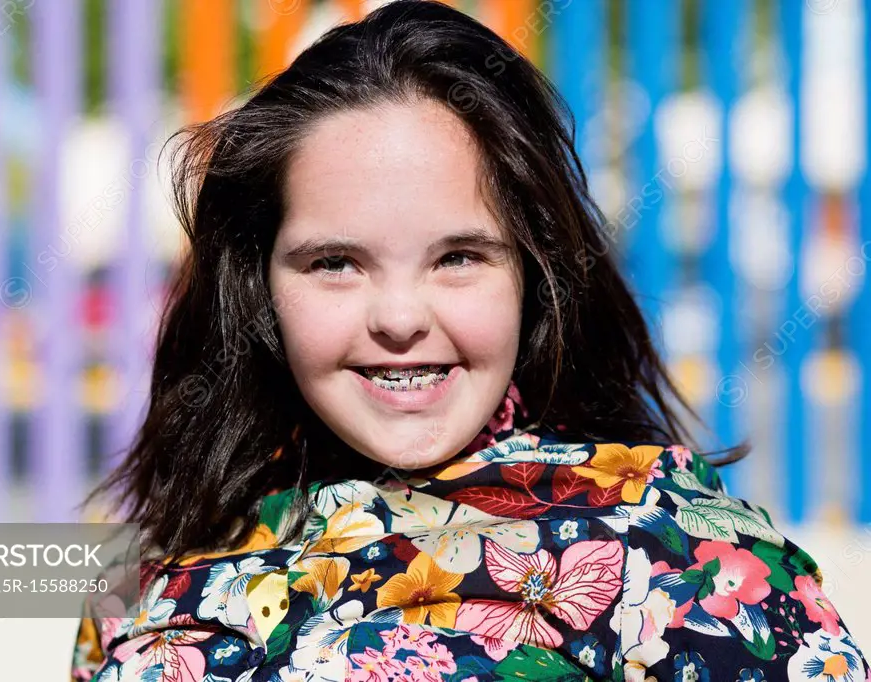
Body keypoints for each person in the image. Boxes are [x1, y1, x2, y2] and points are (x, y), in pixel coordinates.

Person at [70, 2, 869, 680]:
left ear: (535, 273)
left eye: (458, 258)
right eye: (335, 262)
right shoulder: (149, 580)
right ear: (258, 286)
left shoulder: (694, 572)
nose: (399, 317)